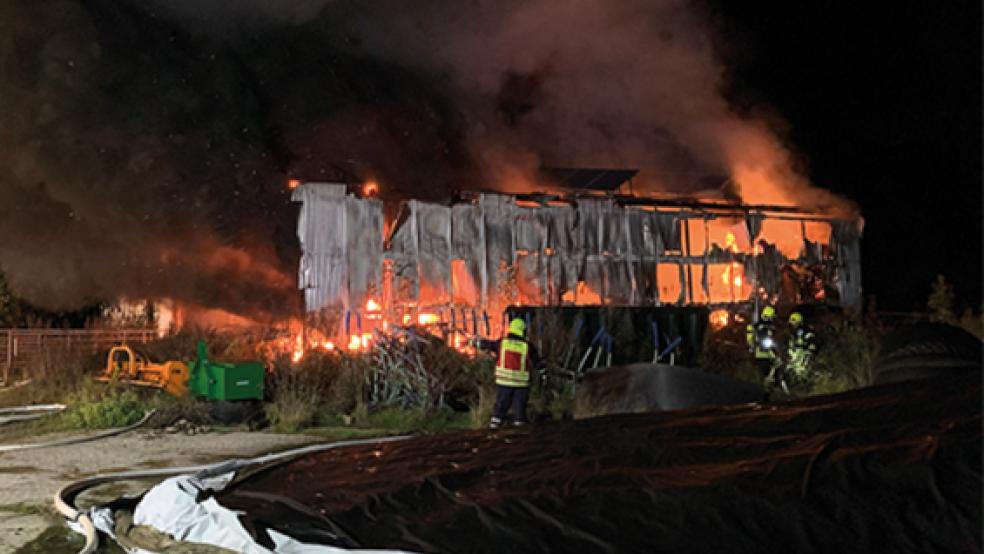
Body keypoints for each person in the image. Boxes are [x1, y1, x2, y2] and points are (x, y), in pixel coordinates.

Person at [477, 318, 539, 429]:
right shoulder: (527, 346)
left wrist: (475, 342)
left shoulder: (503, 343)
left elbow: (488, 345)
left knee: (501, 405)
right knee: (519, 407)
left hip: (504, 381)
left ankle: (494, 426)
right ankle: (520, 430)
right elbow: (537, 362)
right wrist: (543, 371)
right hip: (521, 383)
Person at [746, 306, 780, 385]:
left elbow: (773, 339)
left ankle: (773, 385)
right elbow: (757, 339)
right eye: (771, 317)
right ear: (768, 316)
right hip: (762, 354)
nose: (772, 319)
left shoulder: (770, 327)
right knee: (765, 373)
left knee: (774, 371)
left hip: (769, 354)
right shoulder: (759, 327)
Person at [786, 312, 818, 383]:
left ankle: (808, 380)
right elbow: (791, 344)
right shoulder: (793, 333)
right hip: (795, 355)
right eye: (791, 324)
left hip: (804, 354)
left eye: (794, 323)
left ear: (799, 322)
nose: (793, 325)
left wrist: (809, 349)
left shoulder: (806, 331)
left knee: (802, 370)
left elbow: (811, 341)